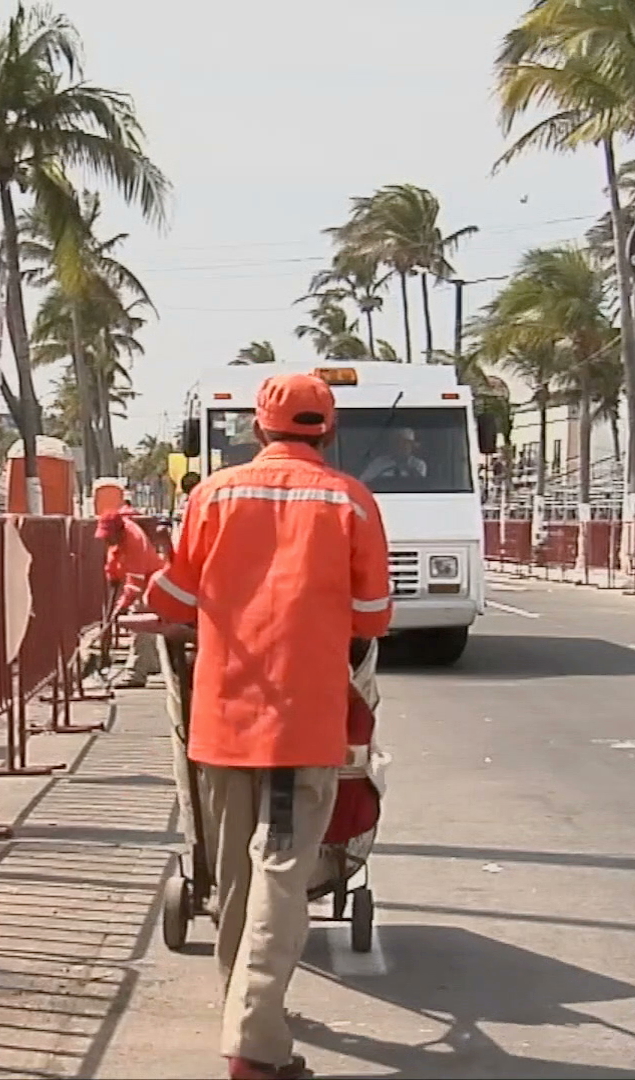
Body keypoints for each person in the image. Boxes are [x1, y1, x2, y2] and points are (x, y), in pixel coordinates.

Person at [146, 372, 392, 1080]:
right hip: (301, 725)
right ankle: (254, 1041)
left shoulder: (212, 495)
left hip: (223, 719)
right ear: (329, 430)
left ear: (258, 431)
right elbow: (373, 614)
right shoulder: (351, 501)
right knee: (281, 875)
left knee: (231, 877)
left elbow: (178, 593)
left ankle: (244, 1013)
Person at [99, 509, 167, 688]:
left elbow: (134, 584)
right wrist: (112, 576)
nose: (106, 540)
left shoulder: (134, 540)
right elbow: (113, 555)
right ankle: (151, 663)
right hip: (144, 579)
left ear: (119, 532)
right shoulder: (117, 535)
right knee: (144, 624)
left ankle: (135, 673)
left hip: (152, 581)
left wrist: (121, 606)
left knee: (141, 621)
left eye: (109, 536)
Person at [358, 426, 427, 484]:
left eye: (406, 443)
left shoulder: (418, 464)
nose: (402, 446)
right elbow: (363, 481)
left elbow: (421, 485)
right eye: (399, 443)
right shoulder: (379, 462)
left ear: (412, 446)